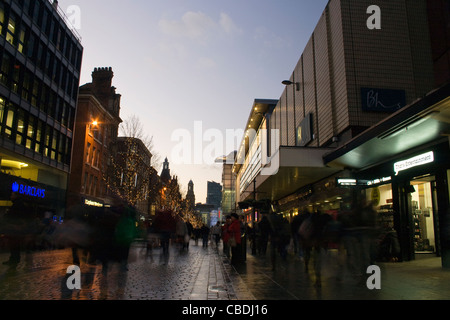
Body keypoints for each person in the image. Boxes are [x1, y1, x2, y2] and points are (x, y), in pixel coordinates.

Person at [2, 192, 35, 266]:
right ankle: (14, 259)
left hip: (15, 228)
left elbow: (12, 215)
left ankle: (14, 260)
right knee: (15, 244)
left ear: (16, 196)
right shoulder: (21, 204)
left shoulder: (17, 205)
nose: (11, 196)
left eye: (12, 195)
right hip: (17, 228)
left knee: (14, 244)